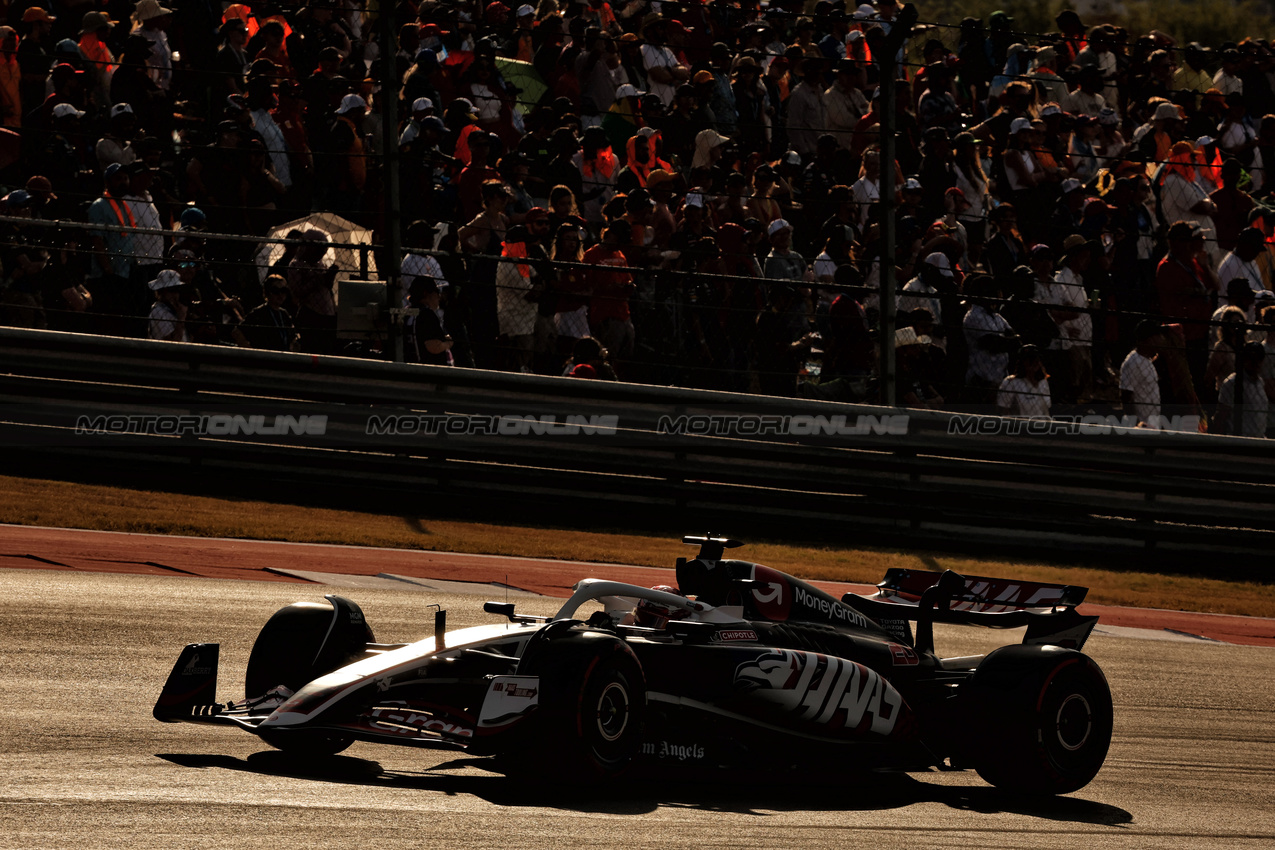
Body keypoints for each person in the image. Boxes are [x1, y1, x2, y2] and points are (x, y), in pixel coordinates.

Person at [1213, 342, 1268, 437]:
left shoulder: (1260, 382)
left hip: (1258, 437)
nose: (1256, 363)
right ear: (1245, 360)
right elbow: (1221, 417)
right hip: (1240, 437)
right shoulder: (1232, 382)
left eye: (1259, 359)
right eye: (1252, 359)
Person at [1120, 320, 1165, 428]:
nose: (1161, 340)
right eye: (1158, 337)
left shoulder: (1147, 360)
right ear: (1150, 340)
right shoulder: (1133, 362)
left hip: (1152, 422)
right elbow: (1126, 395)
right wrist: (1135, 423)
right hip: (1142, 423)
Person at [241, 274, 298, 351]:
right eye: (275, 291)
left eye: (283, 291)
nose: (280, 295)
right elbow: (237, 332)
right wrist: (251, 352)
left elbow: (293, 336)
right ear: (267, 292)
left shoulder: (284, 314)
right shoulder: (259, 312)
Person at [997, 344, 1051, 418]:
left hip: (1041, 425)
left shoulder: (1043, 382)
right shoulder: (1011, 382)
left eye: (1037, 359)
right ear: (1023, 362)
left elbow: (1046, 409)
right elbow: (1003, 409)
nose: (1035, 362)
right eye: (1031, 359)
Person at [147, 268, 188, 341]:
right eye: (171, 290)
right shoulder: (158, 312)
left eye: (177, 289)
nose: (175, 295)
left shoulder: (173, 310)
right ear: (161, 291)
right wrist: (181, 318)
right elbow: (172, 342)